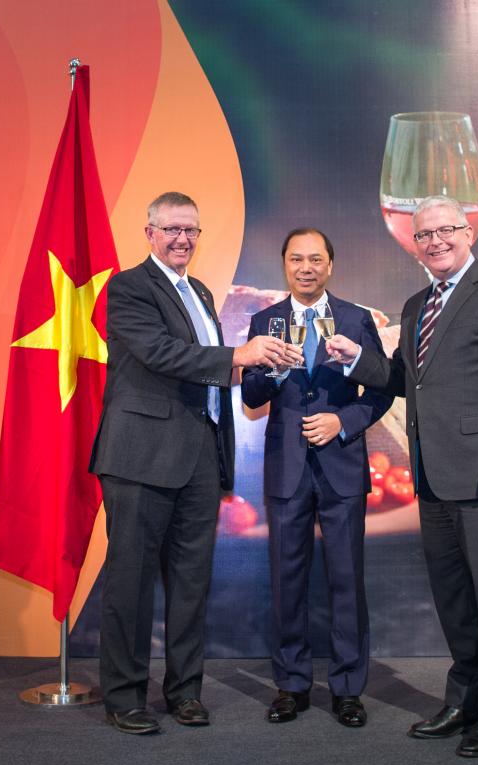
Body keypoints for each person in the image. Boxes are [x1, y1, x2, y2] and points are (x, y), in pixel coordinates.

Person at [325, 195, 478, 757]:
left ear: (468, 231)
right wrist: (355, 358)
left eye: (446, 230)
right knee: (453, 597)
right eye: (425, 235)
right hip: (434, 474)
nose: (436, 242)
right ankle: (465, 698)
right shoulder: (418, 302)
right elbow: (404, 380)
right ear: (414, 243)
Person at [89, 191, 286, 735]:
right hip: (139, 456)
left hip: (200, 455)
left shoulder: (198, 290)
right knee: (129, 581)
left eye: (191, 231)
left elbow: (207, 371)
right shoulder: (128, 287)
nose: (182, 239)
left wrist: (261, 368)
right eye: (172, 229)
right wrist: (237, 358)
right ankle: (125, 697)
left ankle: (184, 692)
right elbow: (160, 354)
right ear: (149, 232)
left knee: (191, 581)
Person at [241, 228, 393, 728]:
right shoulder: (265, 321)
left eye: (316, 259)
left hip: (342, 466)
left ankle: (348, 689)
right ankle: (291, 685)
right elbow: (251, 398)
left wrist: (343, 422)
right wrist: (277, 373)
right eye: (296, 259)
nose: (305, 268)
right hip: (286, 470)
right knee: (287, 581)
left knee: (347, 579)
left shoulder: (356, 318)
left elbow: (383, 387)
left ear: (331, 265)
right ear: (285, 265)